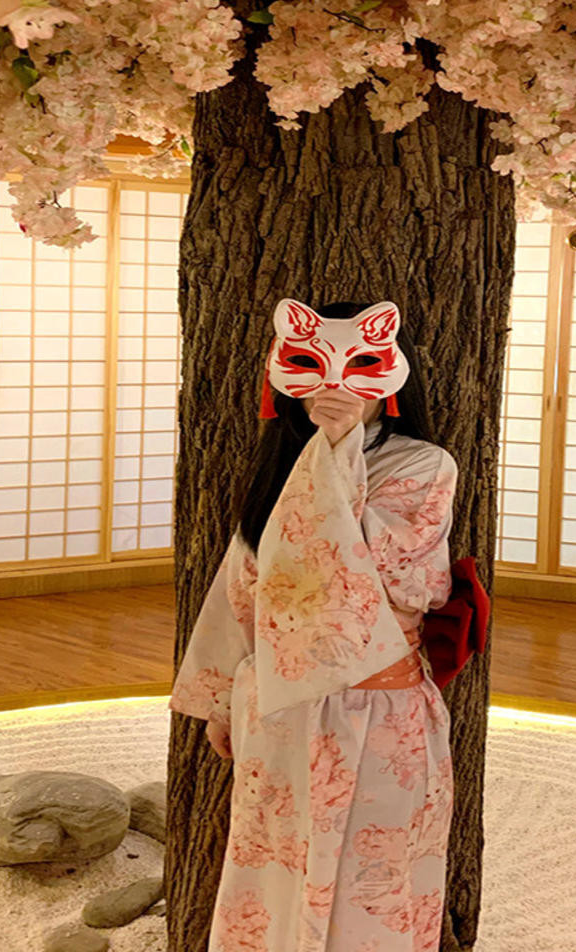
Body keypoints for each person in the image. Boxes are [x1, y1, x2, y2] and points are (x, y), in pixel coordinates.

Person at [169, 297, 459, 952]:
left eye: (361, 365)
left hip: (378, 709)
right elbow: (246, 587)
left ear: (393, 374)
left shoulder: (424, 466)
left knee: (374, 882)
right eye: (310, 363)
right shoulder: (280, 469)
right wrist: (223, 699)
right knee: (272, 872)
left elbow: (374, 574)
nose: (335, 382)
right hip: (277, 711)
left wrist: (341, 444)